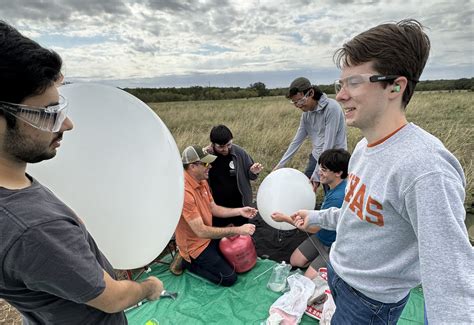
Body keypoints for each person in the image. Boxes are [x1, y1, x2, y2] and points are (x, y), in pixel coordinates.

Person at [292, 19, 474, 324]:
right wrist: (314, 218)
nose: (340, 95)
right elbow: (357, 214)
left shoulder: (425, 169)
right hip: (340, 277)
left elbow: (450, 277)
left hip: (369, 304)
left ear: (395, 86)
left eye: (354, 82)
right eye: (340, 84)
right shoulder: (363, 148)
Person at [0, 21, 163, 324]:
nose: (67, 125)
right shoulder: (34, 229)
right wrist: (147, 287)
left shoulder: (15, 189)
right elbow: (114, 298)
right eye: (48, 114)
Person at [171, 145, 257, 286]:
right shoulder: (184, 193)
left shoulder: (202, 181)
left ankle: (190, 258)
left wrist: (239, 211)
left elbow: (214, 208)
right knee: (229, 278)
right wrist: (238, 230)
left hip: (207, 237)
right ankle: (187, 262)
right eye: (205, 163)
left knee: (233, 260)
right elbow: (201, 231)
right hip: (195, 245)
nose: (210, 166)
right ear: (192, 166)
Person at [271, 149, 350, 279]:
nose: (319, 172)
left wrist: (285, 218)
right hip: (322, 236)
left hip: (333, 244)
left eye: (324, 170)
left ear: (338, 173)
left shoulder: (338, 198)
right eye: (320, 168)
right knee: (295, 261)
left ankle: (331, 264)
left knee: (309, 278)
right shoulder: (335, 185)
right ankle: (318, 264)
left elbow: (313, 228)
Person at [274, 77, 347, 190]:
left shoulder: (332, 108)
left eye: (301, 101)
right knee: (306, 187)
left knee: (332, 192)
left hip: (334, 159)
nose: (299, 106)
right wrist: (280, 165)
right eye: (295, 103)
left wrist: (318, 174)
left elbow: (329, 143)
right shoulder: (306, 115)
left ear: (311, 93)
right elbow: (296, 141)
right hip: (316, 156)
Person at [205, 125, 263, 227]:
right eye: (221, 147)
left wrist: (253, 171)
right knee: (220, 234)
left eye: (229, 145)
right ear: (213, 144)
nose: (226, 149)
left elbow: (251, 176)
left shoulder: (240, 153)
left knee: (241, 235)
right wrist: (203, 155)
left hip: (240, 204)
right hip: (217, 206)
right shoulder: (206, 156)